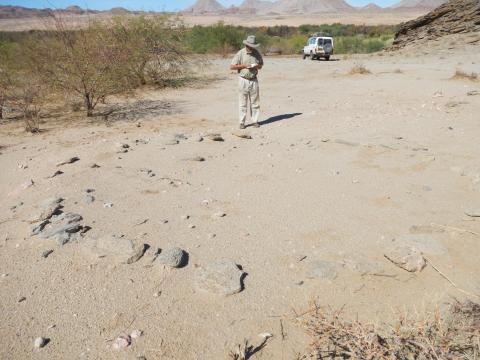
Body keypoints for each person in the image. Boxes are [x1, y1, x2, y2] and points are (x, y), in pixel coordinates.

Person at [230, 35, 264, 129]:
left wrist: (256, 66)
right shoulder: (240, 53)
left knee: (255, 103)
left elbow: (261, 65)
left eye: (253, 46)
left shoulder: (257, 53)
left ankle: (255, 121)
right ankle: (242, 122)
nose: (251, 48)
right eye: (249, 46)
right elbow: (232, 66)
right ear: (246, 45)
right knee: (242, 103)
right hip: (243, 80)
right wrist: (244, 66)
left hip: (254, 80)